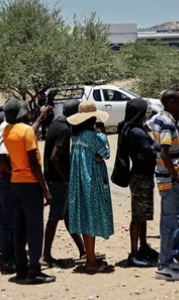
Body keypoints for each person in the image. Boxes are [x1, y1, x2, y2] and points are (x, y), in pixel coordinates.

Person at [2, 100, 57, 284]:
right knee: (34, 230)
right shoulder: (26, 131)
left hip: (15, 183)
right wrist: (45, 189)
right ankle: (34, 271)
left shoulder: (7, 131)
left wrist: (41, 118)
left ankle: (21, 270)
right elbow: (33, 164)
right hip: (30, 185)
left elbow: (28, 133)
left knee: (20, 229)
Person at [67, 101, 116, 274]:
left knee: (85, 217)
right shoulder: (97, 137)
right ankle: (91, 260)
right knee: (93, 216)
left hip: (79, 181)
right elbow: (106, 153)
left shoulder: (76, 137)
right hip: (93, 180)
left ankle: (90, 256)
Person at [150, 90, 179, 281]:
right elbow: (164, 151)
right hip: (170, 179)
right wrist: (176, 176)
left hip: (165, 177)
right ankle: (163, 266)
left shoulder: (159, 118)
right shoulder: (166, 122)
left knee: (171, 220)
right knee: (169, 222)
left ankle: (168, 259)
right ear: (172, 102)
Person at [42, 100, 86, 267]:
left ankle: (82, 250)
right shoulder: (64, 129)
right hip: (57, 180)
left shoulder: (57, 122)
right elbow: (54, 157)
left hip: (56, 178)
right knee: (54, 217)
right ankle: (45, 256)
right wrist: (65, 178)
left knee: (69, 216)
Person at [121, 98, 160, 267]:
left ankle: (143, 246)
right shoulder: (135, 132)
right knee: (138, 216)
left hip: (142, 175)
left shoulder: (134, 129)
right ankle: (133, 253)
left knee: (143, 214)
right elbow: (151, 149)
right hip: (140, 177)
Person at [0, 105, 16, 274]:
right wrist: (14, 176)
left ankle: (10, 256)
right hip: (7, 181)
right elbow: (1, 157)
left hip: (6, 181)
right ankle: (6, 260)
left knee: (11, 221)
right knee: (8, 222)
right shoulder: (4, 129)